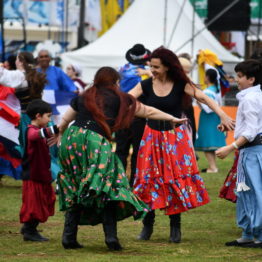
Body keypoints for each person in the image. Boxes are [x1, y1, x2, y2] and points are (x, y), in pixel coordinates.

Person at [56, 66, 187, 251]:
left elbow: (65, 121)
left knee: (77, 184)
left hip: (72, 139)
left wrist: (60, 136)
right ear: (116, 82)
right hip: (95, 140)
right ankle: (111, 238)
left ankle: (69, 237)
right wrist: (171, 118)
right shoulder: (120, 98)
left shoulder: (84, 96)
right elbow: (148, 111)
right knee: (110, 187)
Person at [129, 47, 235, 243]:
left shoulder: (180, 84)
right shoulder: (145, 85)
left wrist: (223, 114)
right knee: (148, 179)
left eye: (156, 67)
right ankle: (148, 224)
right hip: (151, 137)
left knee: (174, 180)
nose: (152, 70)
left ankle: (175, 226)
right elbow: (126, 98)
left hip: (174, 140)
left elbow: (204, 97)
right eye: (150, 66)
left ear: (168, 67)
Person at [216, 59, 262, 248]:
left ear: (251, 79)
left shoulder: (250, 99)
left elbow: (251, 131)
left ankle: (257, 234)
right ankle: (248, 232)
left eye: (240, 76)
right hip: (252, 150)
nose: (237, 79)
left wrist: (230, 147)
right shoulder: (254, 96)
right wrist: (232, 125)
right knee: (245, 192)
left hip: (251, 151)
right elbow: (253, 125)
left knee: (251, 192)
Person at [0, 52, 46, 180]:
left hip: (27, 118)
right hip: (38, 116)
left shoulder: (20, 76)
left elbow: (3, 76)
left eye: (16, 59)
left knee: (27, 150)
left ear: (19, 61)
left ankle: (38, 175)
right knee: (35, 149)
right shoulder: (34, 75)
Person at [20, 99, 57, 241]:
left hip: (42, 175)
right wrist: (56, 129)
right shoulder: (31, 131)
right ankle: (29, 231)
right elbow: (34, 136)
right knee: (34, 205)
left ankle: (29, 228)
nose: (49, 119)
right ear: (38, 116)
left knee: (47, 200)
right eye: (48, 116)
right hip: (33, 176)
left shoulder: (38, 131)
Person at [115, 43, 151, 186]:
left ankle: (119, 180)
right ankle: (135, 181)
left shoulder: (121, 70)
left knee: (121, 150)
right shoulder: (149, 72)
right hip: (139, 114)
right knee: (138, 151)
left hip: (122, 113)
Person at [195, 69, 226, 173]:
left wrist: (197, 96)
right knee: (211, 144)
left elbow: (207, 109)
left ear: (207, 77)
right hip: (215, 118)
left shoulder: (207, 91)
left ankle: (213, 167)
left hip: (208, 119)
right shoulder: (215, 90)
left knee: (207, 144)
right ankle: (213, 166)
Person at [37, 49, 76, 123]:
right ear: (38, 59)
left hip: (54, 108)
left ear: (50, 58)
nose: (44, 58)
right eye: (41, 57)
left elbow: (69, 87)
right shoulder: (34, 72)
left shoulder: (57, 71)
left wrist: (73, 92)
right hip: (38, 106)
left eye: (46, 56)